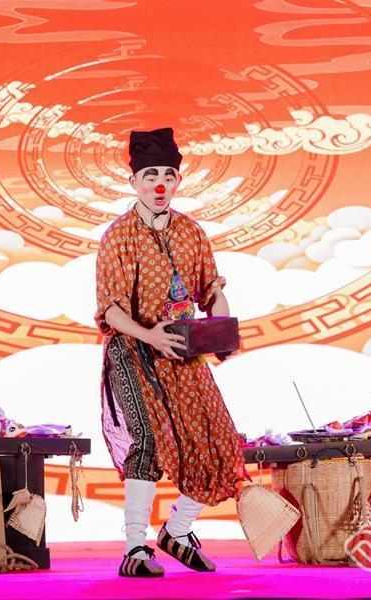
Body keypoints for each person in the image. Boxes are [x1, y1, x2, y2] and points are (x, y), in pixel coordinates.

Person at [94, 127, 248, 578]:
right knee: (146, 441)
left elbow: (211, 292)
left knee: (217, 443)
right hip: (132, 349)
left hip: (183, 350)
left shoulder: (191, 232)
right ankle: (134, 548)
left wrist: (220, 330)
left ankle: (177, 531)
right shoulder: (119, 236)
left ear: (178, 181)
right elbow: (110, 310)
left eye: (167, 175)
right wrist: (151, 336)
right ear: (134, 182)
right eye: (150, 176)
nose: (159, 184)